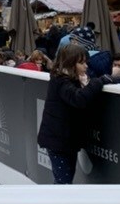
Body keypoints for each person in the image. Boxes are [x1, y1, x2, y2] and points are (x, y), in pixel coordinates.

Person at [37, 44, 109, 184]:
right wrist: (98, 82)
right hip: (58, 141)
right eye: (81, 63)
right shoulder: (61, 80)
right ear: (70, 63)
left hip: (65, 140)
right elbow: (78, 99)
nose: (86, 66)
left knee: (65, 180)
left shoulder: (71, 79)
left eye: (85, 62)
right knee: (63, 182)